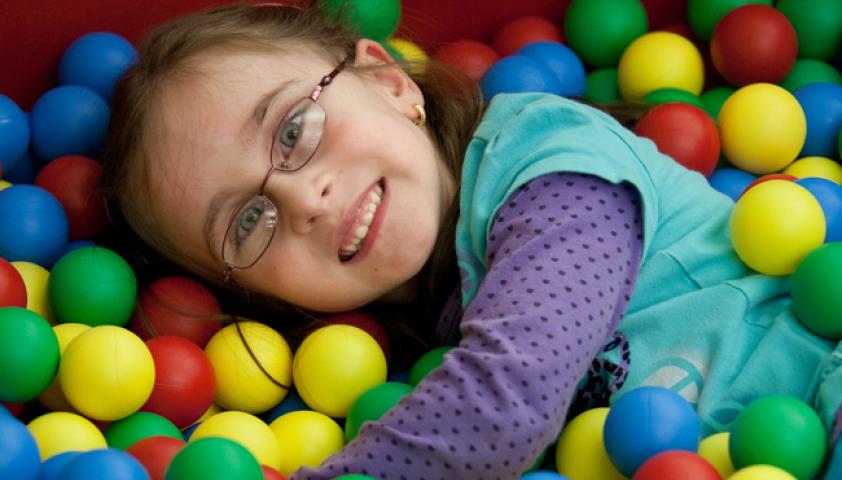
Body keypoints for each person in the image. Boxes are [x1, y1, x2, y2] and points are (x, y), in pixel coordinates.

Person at [98, 3, 842, 479]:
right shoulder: (406, 346)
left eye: (295, 129)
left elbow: (507, 403)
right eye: (247, 223)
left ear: (390, 83)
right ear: (260, 294)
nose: (302, 199)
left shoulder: (548, 157)